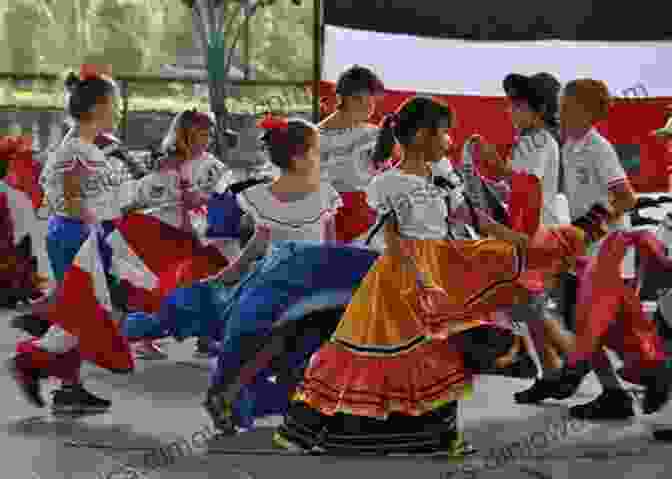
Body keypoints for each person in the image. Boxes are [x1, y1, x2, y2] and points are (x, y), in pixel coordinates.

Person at [275, 97, 595, 455]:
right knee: (386, 357)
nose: (449, 140)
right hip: (401, 277)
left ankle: (438, 437)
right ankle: (326, 432)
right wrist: (423, 281)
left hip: (445, 264)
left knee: (442, 352)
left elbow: (471, 219)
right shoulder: (388, 183)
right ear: (422, 135)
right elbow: (393, 239)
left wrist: (522, 244)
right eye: (445, 133)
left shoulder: (442, 171)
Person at [509, 79, 660, 420]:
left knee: (598, 325)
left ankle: (631, 386)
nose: (559, 111)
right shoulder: (569, 145)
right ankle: (613, 390)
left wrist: (585, 232)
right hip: (587, 251)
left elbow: (625, 197)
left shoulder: (597, 147)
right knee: (581, 320)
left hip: (608, 251)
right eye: (560, 105)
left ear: (590, 113)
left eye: (568, 106)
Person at [6, 71, 124, 414]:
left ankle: (68, 385)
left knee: (86, 311)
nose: (116, 112)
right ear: (100, 106)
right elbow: (73, 201)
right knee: (93, 314)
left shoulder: (80, 145)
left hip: (72, 233)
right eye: (113, 104)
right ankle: (30, 359)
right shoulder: (77, 149)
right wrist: (101, 226)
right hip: (77, 235)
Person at [124, 109, 229, 360]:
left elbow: (226, 198)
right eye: (201, 133)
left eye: (209, 133)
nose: (207, 138)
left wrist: (202, 200)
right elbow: (146, 196)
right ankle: (144, 338)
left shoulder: (214, 166)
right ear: (184, 135)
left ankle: (206, 338)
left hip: (201, 235)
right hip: (165, 233)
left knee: (207, 283)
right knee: (162, 286)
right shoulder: (165, 164)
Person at [318, 65, 387, 243]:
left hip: (364, 220)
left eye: (373, 103)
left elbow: (387, 177)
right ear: (347, 98)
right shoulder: (311, 136)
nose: (371, 109)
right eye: (368, 102)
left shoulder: (375, 134)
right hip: (322, 219)